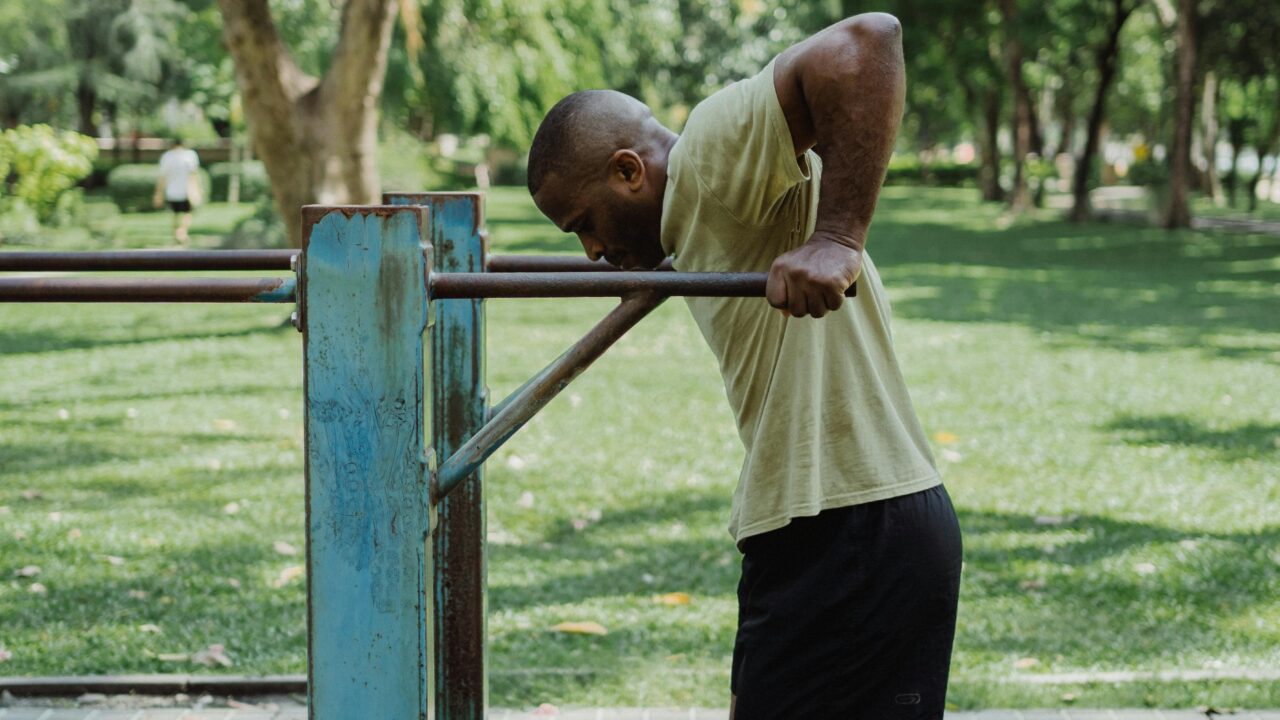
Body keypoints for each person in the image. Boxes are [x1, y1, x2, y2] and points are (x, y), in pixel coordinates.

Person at [526, 13, 962, 719]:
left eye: (584, 223)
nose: (591, 252)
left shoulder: (707, 157)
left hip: (847, 530)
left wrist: (838, 238)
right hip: (838, 528)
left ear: (630, 171)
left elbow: (865, 42)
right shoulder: (698, 213)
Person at [152, 138, 201, 245]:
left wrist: (158, 193)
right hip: (186, 191)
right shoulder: (190, 155)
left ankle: (177, 233)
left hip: (171, 191)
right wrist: (196, 190)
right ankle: (182, 231)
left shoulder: (167, 157)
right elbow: (193, 175)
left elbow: (162, 177)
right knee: (188, 213)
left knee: (175, 214)